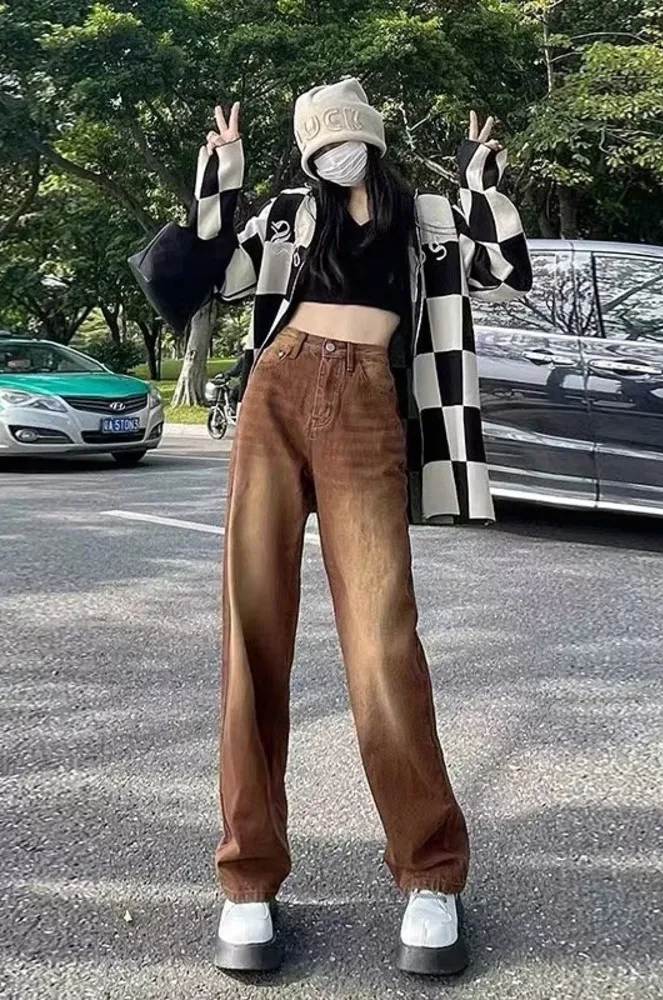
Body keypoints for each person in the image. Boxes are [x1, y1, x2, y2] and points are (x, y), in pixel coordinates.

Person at [133, 77, 532, 976]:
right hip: (275, 392)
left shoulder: (427, 218)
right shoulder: (286, 214)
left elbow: (505, 273)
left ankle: (430, 873)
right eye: (318, 144)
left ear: (372, 141)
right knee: (253, 631)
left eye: (344, 139)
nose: (333, 153)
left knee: (384, 638)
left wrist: (480, 182)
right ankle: (247, 882)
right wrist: (221, 177)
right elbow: (202, 276)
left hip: (366, 405)